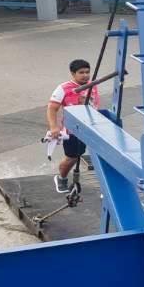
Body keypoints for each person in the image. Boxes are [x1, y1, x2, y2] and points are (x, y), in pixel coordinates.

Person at [46, 59, 102, 194]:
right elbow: (52, 108)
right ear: (73, 73)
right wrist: (54, 127)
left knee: (101, 155)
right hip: (73, 130)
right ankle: (61, 178)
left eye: (87, 72)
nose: (85, 75)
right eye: (81, 72)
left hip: (92, 127)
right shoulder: (63, 88)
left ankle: (106, 188)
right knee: (72, 157)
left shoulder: (92, 85)